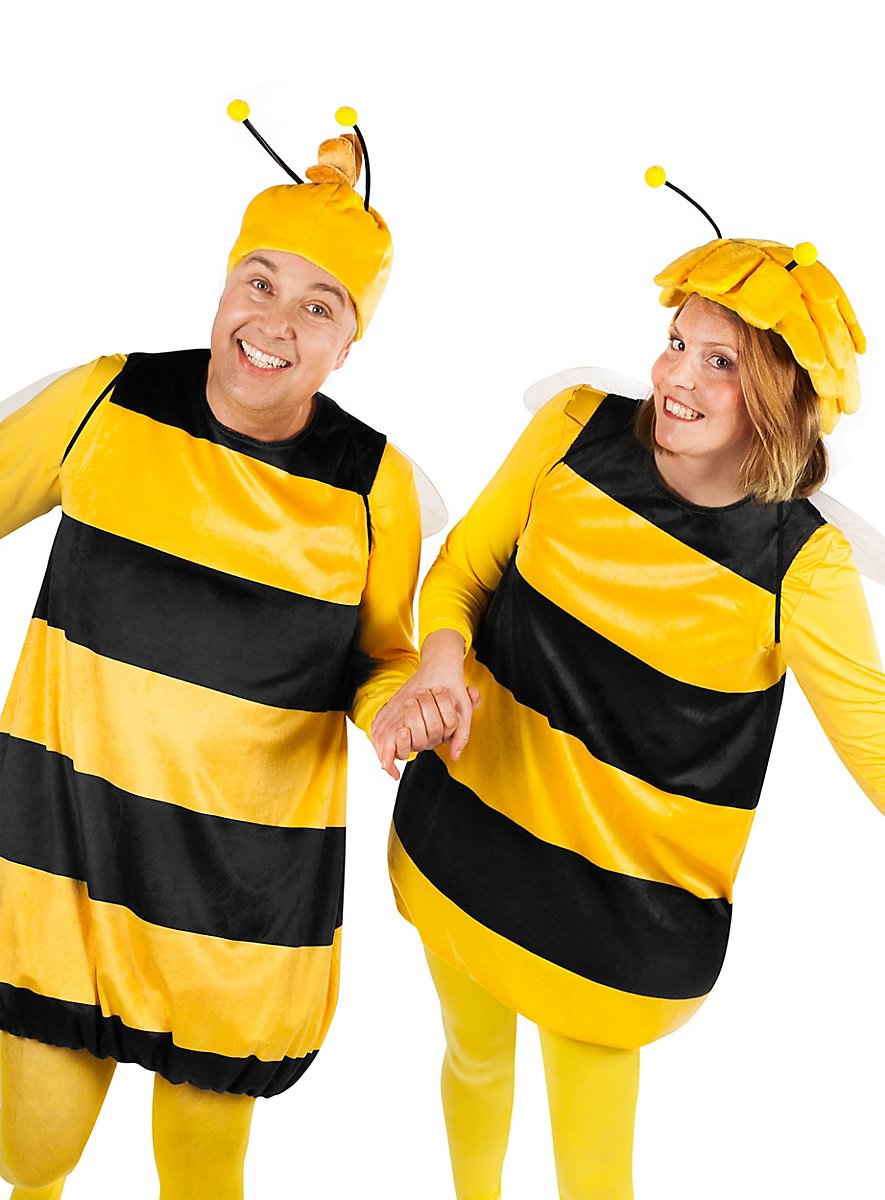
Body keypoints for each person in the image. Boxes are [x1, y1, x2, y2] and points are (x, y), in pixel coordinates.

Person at [372, 233, 884, 1199]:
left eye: (719, 362)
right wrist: (438, 663)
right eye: (676, 342)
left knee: (593, 1163)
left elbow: (876, 744)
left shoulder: (801, 566)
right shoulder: (574, 429)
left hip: (617, 912)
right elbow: (464, 572)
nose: (675, 376)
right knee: (471, 1058)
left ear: (780, 396)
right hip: (467, 837)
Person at [0, 107, 421, 1199]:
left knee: (201, 1169)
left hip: (236, 889)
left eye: (319, 305)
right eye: (259, 282)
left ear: (348, 343)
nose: (275, 321)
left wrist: (399, 708)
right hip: (66, 857)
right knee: (32, 1151)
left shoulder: (373, 486)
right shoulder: (108, 400)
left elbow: (380, 658)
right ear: (226, 285)